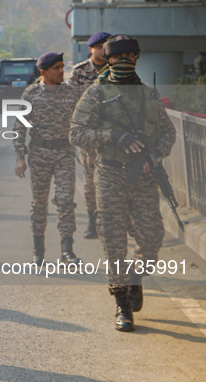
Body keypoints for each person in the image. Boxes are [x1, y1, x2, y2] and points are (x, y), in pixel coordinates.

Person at [70, 35, 176, 331]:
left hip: (143, 177)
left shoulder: (149, 94)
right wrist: (112, 136)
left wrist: (154, 154)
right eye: (118, 57)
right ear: (109, 60)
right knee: (114, 242)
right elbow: (76, 133)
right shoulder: (96, 94)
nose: (124, 61)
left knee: (152, 239)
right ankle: (122, 304)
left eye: (130, 55)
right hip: (111, 175)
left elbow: (168, 133)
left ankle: (135, 277)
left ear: (137, 58)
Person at [13, 52, 81, 267]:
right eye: (57, 68)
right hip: (40, 154)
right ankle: (38, 250)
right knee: (40, 203)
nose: (62, 71)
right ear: (44, 72)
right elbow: (19, 127)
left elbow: (82, 122)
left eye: (62, 67)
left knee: (65, 201)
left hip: (65, 153)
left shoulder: (71, 92)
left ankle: (67, 250)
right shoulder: (30, 94)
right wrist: (19, 157)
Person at [68, 32, 111, 239]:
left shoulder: (116, 69)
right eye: (99, 46)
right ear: (91, 49)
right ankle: (93, 221)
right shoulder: (79, 71)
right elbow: (71, 103)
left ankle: (115, 219)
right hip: (89, 135)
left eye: (106, 46)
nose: (103, 50)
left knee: (116, 177)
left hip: (114, 134)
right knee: (91, 180)